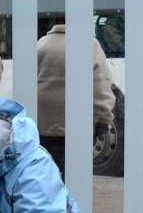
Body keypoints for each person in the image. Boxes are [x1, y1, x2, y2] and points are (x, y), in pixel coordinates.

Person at [36, 22, 115, 177]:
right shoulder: (88, 44)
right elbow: (100, 85)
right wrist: (104, 119)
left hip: (43, 127)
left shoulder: (40, 44)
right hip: (77, 128)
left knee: (47, 177)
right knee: (75, 179)